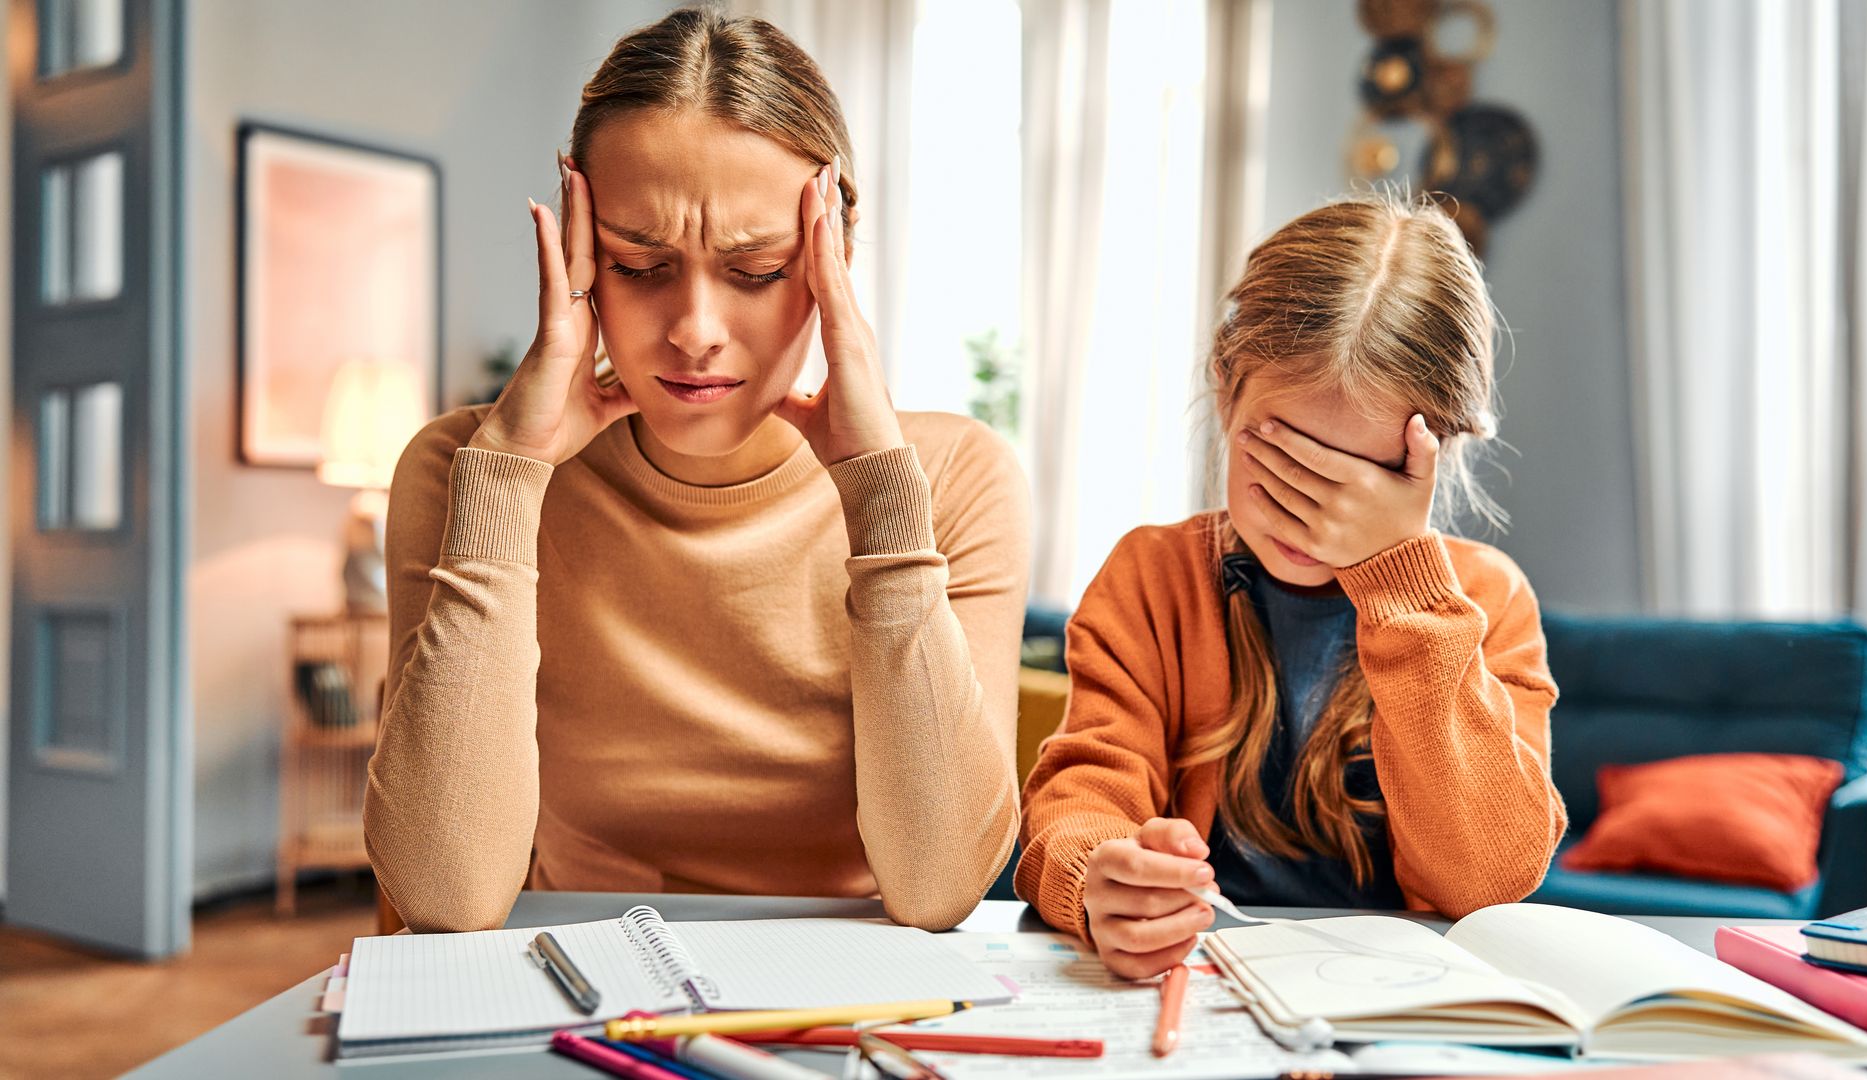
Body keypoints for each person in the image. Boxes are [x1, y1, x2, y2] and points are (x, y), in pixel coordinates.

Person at [366, 8, 1029, 934]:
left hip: (843, 1004)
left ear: (831, 261)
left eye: (756, 270)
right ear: (581, 254)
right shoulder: (462, 471)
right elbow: (444, 896)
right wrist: (507, 481)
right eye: (641, 264)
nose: (695, 329)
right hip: (577, 983)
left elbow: (938, 885)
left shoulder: (954, 476)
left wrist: (880, 495)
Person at [1016, 195, 1566, 977]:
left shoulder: (1485, 601)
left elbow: (1486, 883)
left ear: (1434, 450)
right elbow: (1081, 797)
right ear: (1225, 389)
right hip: (1199, 983)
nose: (1312, 519)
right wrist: (1101, 875)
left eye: (1362, 479)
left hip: (1406, 1000)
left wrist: (1400, 586)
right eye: (1279, 462)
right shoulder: (1154, 577)